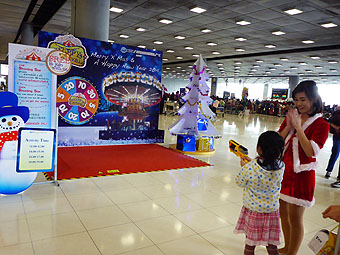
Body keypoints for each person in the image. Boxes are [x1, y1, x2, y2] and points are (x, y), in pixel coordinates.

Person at [278, 80, 329, 255]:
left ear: (314, 99)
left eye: (303, 100)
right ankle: (286, 247)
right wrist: (289, 125)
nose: (298, 104)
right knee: (283, 214)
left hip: (302, 176)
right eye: (296, 100)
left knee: (295, 217)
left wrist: (299, 129)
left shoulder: (322, 125)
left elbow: (310, 152)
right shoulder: (294, 117)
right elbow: (278, 141)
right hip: (284, 172)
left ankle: (292, 252)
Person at [234, 131, 285, 255]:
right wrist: (252, 162)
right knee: (272, 245)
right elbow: (266, 168)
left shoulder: (249, 168)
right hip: (272, 212)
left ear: (259, 148)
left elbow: (239, 182)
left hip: (254, 212)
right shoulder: (281, 166)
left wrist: (245, 166)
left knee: (250, 245)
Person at [325, 106, 340, 188]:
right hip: (337, 136)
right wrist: (336, 127)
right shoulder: (336, 113)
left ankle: (339, 178)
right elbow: (331, 122)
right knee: (335, 153)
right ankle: (329, 171)